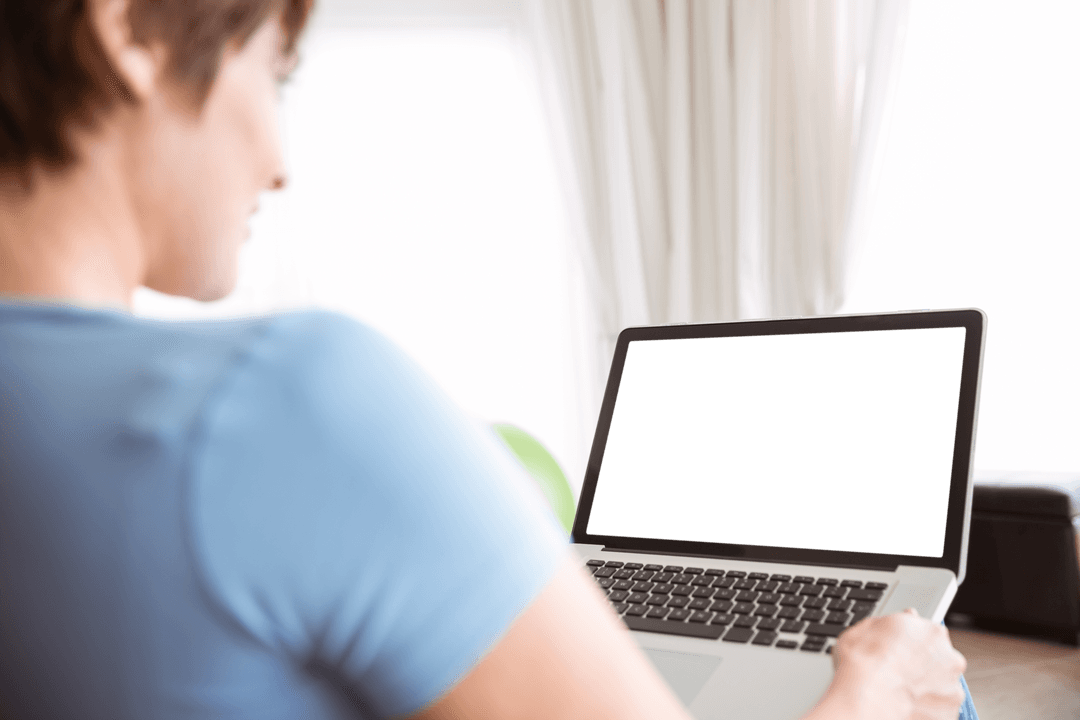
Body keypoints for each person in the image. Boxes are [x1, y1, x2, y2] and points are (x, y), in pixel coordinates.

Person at [0, 1, 975, 719]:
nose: (281, 162)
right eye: (276, 71)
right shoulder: (282, 402)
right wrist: (873, 693)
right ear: (127, 30)